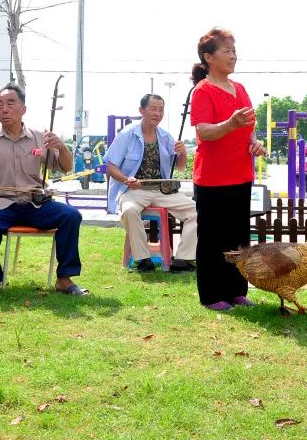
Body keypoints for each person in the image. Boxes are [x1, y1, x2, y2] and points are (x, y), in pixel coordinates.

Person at [0, 84, 89, 296]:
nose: (4, 109)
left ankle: (64, 280)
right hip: (1, 204)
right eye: (0, 104)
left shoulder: (40, 137)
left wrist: (62, 147)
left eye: (10, 103)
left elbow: (64, 166)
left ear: (23, 109)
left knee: (71, 215)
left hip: (35, 204)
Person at [188, 28, 264, 311]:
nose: (234, 56)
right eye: (227, 51)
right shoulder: (203, 91)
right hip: (212, 178)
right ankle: (211, 296)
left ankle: (236, 290)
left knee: (237, 237)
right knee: (212, 239)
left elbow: (249, 127)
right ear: (208, 58)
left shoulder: (240, 89)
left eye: (234, 51)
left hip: (241, 174)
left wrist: (255, 143)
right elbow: (204, 132)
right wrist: (230, 125)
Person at [104, 93, 198, 273]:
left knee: (196, 211)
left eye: (161, 109)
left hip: (162, 190)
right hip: (134, 190)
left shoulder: (165, 136)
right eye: (153, 109)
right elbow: (111, 167)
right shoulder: (127, 134)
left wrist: (183, 152)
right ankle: (142, 259)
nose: (158, 113)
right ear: (141, 110)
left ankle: (183, 260)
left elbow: (179, 167)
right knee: (130, 210)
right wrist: (127, 179)